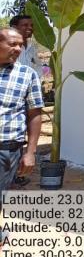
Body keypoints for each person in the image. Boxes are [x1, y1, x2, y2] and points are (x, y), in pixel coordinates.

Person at [0, 28, 43, 201]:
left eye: (20, 45)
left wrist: (30, 152)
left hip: (7, 151)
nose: (18, 49)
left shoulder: (27, 75)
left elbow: (34, 114)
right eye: (12, 44)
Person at [10, 14, 43, 188]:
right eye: (25, 25)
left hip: (28, 97)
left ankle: (17, 173)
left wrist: (36, 86)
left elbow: (38, 67)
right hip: (11, 97)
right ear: (14, 27)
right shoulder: (7, 48)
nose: (29, 28)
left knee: (21, 135)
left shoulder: (31, 48)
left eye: (31, 25)